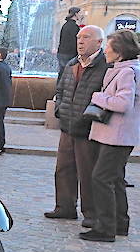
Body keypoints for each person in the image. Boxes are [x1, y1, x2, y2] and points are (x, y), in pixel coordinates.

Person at [44, 25, 108, 226]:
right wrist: (59, 109)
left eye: (86, 37)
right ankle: (64, 207)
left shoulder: (105, 66)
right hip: (67, 125)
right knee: (63, 168)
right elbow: (61, 89)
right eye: (79, 37)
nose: (80, 41)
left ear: (99, 42)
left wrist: (91, 117)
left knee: (87, 171)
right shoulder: (72, 63)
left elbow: (106, 95)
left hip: (88, 128)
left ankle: (91, 213)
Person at [80, 30, 140, 242]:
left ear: (120, 51)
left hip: (118, 135)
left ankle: (105, 228)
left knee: (101, 178)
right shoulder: (123, 69)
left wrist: (98, 96)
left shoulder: (127, 72)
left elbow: (122, 103)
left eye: (109, 46)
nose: (105, 49)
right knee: (115, 179)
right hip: (116, 135)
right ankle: (120, 223)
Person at [56, 6, 82, 75]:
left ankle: (59, 85)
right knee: (68, 75)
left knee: (62, 73)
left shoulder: (65, 25)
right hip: (70, 54)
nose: (81, 15)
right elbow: (75, 42)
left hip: (61, 52)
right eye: (80, 13)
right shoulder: (74, 27)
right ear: (76, 14)